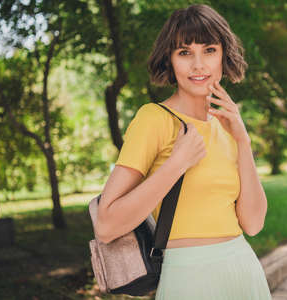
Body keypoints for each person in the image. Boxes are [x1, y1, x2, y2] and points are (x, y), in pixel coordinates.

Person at [95, 4, 272, 300]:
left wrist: (243, 141)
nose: (199, 65)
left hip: (243, 272)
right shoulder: (154, 119)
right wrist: (175, 164)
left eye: (209, 50)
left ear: (223, 56)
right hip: (188, 280)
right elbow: (106, 226)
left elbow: (253, 224)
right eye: (185, 52)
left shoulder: (228, 127)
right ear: (170, 60)